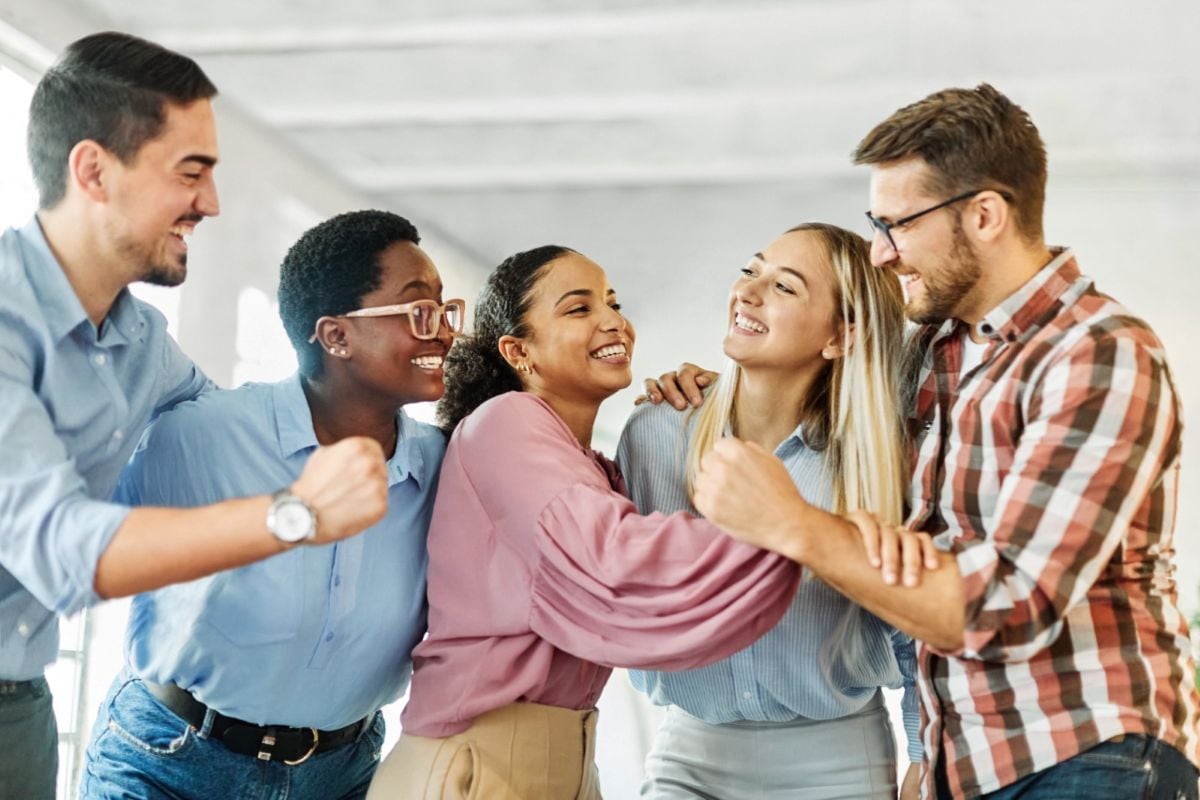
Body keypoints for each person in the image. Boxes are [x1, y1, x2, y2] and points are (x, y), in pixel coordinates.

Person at [663, 84, 1200, 798]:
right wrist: (710, 386)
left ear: (985, 215)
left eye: (898, 225)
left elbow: (1007, 608)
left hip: (1087, 754)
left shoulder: (1097, 352)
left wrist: (794, 525)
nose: (882, 254)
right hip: (974, 765)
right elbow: (821, 387)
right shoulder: (933, 354)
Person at [0, 33, 386, 798]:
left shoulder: (141, 341)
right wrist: (296, 515)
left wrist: (360, 394)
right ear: (94, 171)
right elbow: (63, 545)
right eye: (190, 173)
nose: (210, 203)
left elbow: (232, 417)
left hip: (19, 700)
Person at [366, 245, 804, 799]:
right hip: (477, 766)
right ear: (518, 350)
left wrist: (723, 409)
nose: (612, 320)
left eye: (613, 302)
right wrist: (796, 527)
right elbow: (617, 558)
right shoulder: (506, 421)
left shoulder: (593, 468)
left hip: (560, 764)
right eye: (579, 309)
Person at [78, 210, 461, 799]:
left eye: (443, 309)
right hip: (170, 763)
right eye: (418, 310)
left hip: (339, 774)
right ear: (336, 336)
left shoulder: (445, 467)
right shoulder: (207, 434)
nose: (442, 331)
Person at [618, 222, 923, 799]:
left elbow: (913, 636)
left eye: (785, 287)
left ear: (841, 336)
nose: (748, 293)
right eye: (750, 271)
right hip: (690, 754)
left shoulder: (875, 465)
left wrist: (923, 758)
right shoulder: (654, 433)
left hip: (839, 764)